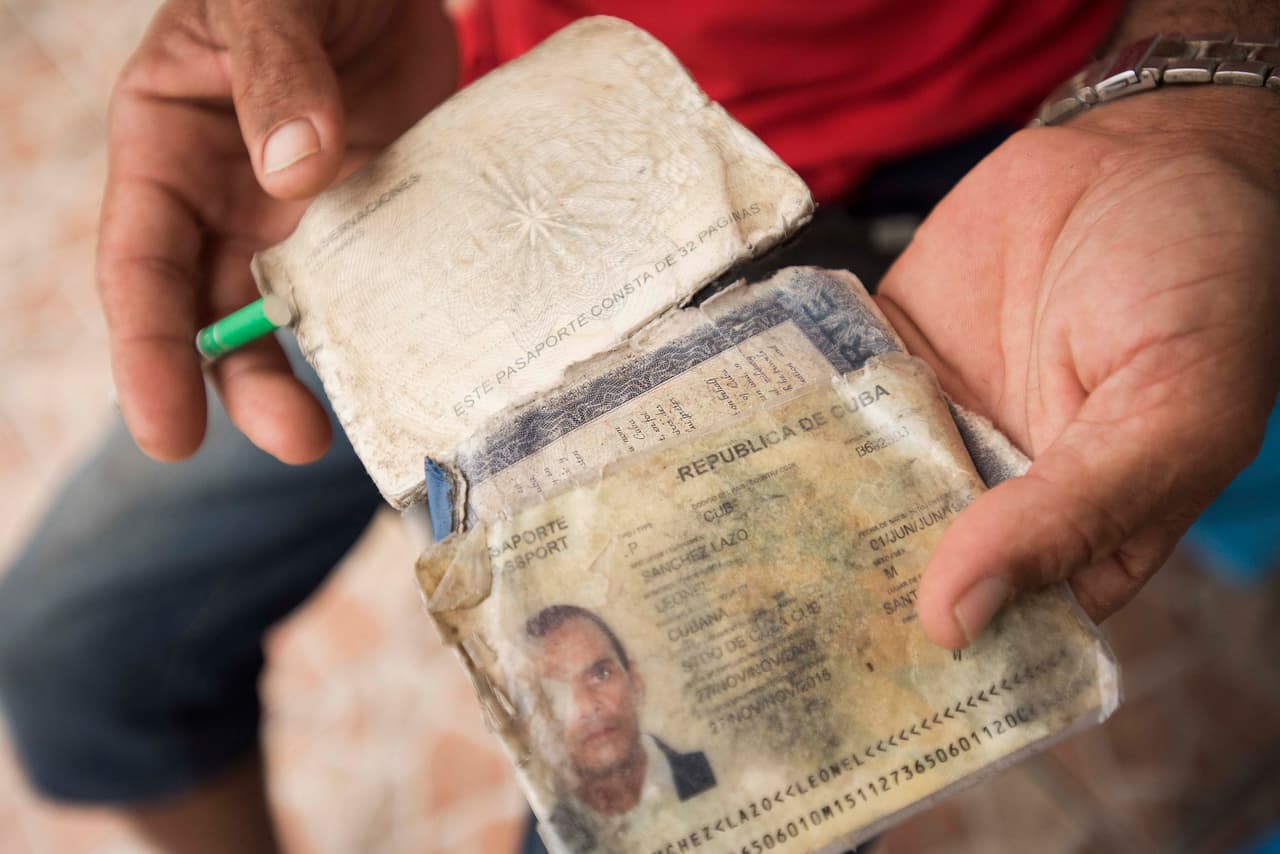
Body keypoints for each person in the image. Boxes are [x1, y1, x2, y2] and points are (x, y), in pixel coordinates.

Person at [0, 1, 1277, 852]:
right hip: (486, 147)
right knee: (76, 650)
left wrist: (1201, 96)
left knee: (697, 808)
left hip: (940, 185)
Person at [524, 604, 715, 824]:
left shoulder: (724, 772)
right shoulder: (549, 830)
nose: (588, 706)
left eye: (601, 674)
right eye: (556, 694)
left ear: (635, 682)